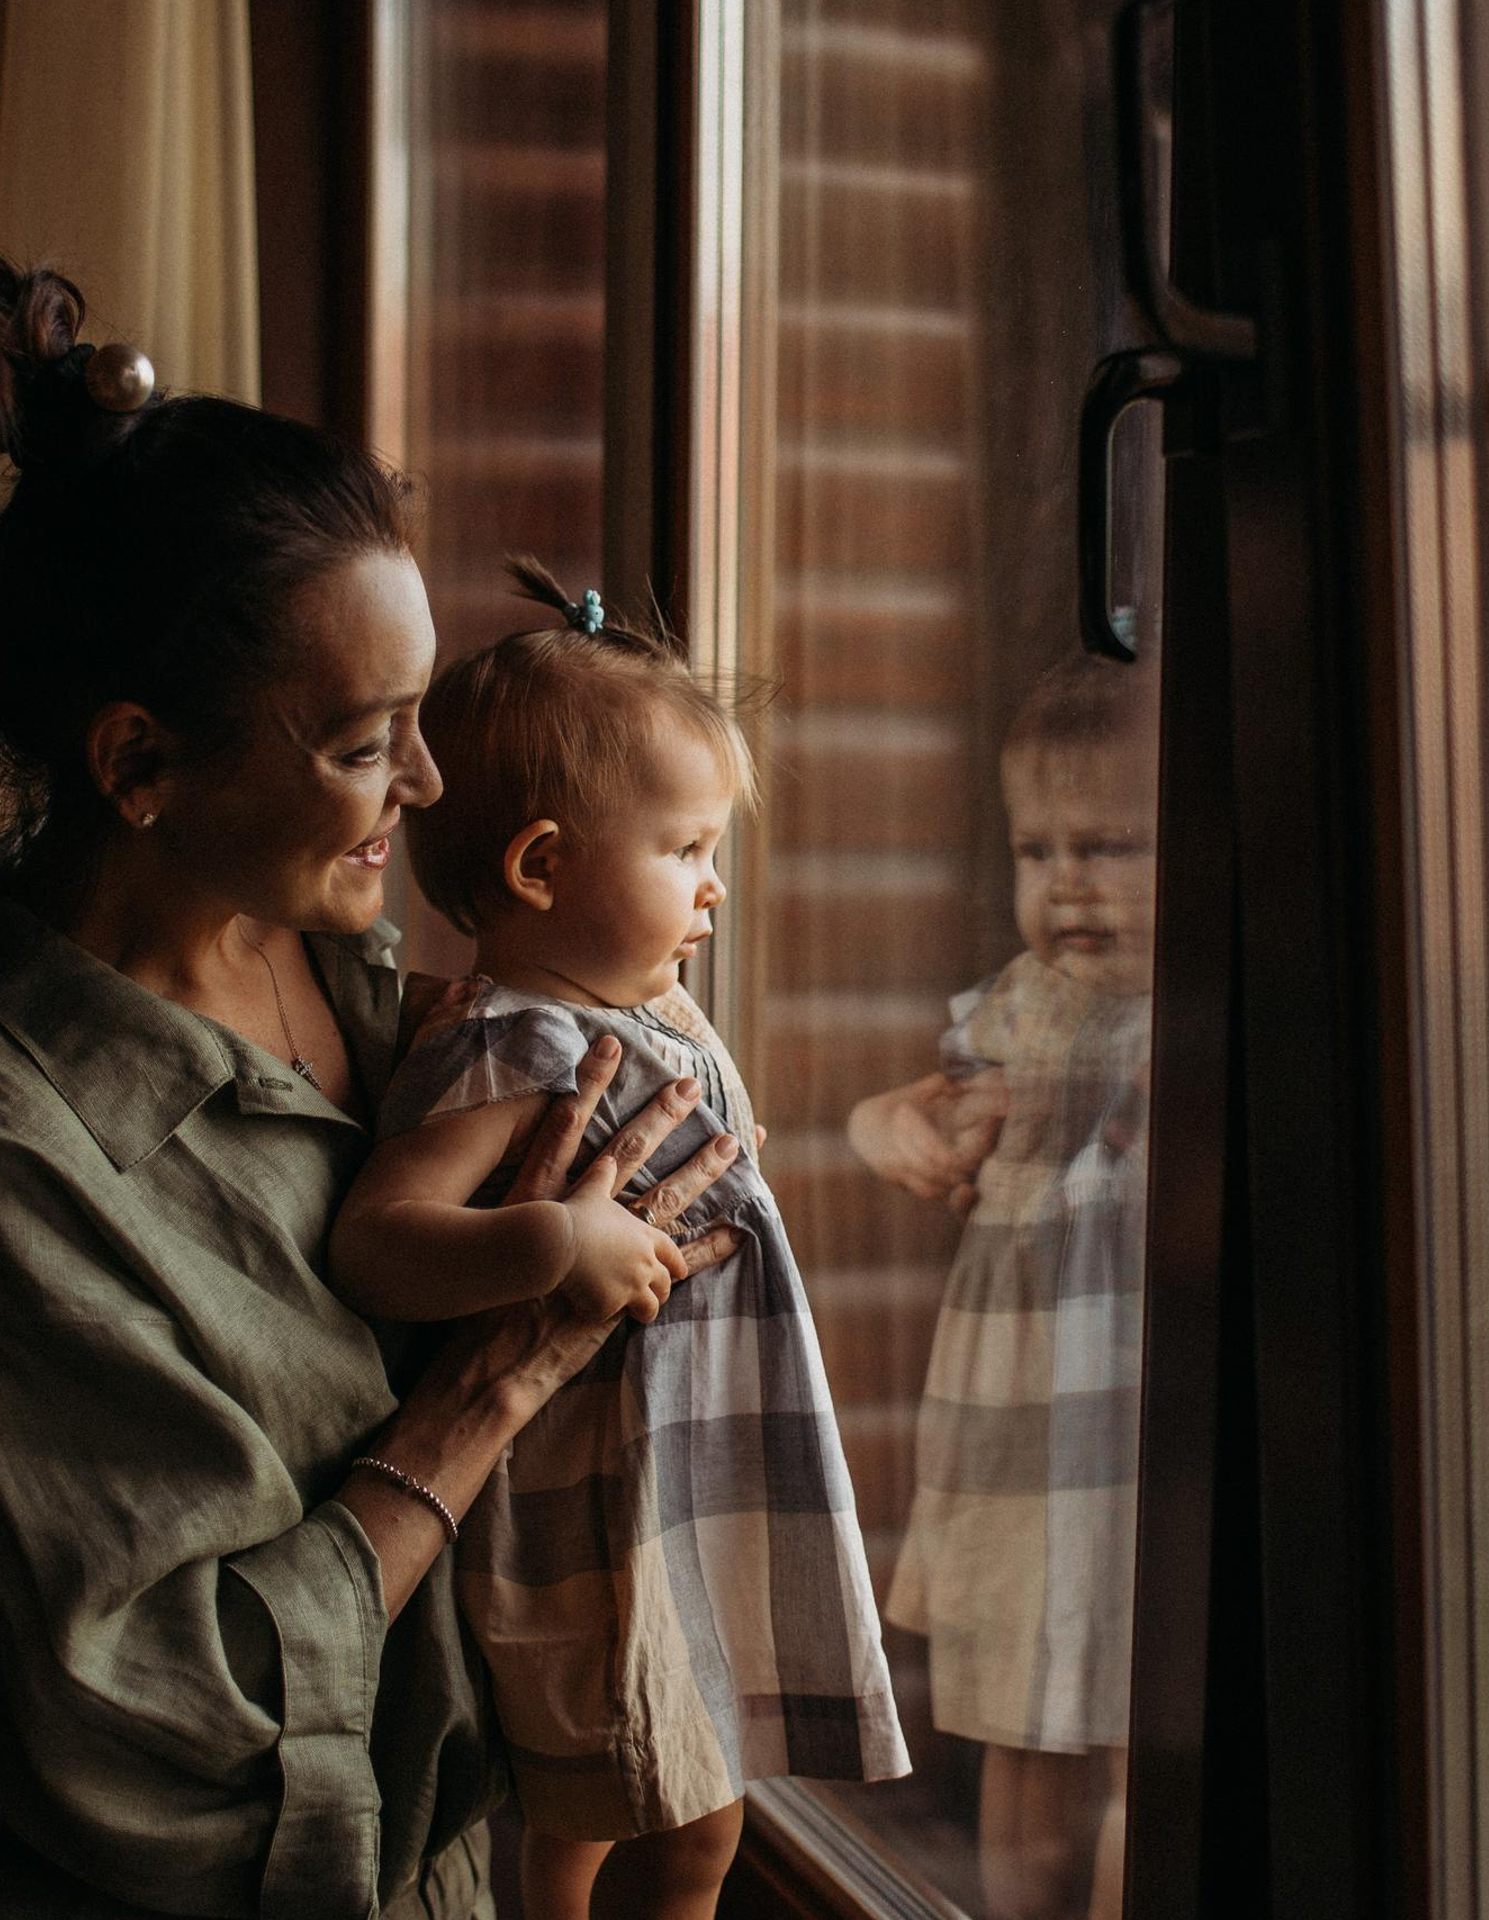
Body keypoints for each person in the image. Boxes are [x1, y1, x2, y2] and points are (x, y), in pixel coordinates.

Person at [0, 250, 749, 1920]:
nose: (431, 784)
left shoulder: (382, 994)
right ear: (141, 763)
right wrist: (478, 1403)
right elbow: (166, 1734)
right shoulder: (6, 1165)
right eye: (367, 745)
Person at [329, 565, 910, 1920]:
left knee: (691, 1816)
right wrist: (552, 1247)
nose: (712, 892)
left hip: (682, 1478)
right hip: (595, 1507)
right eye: (686, 851)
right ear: (541, 867)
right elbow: (377, 1242)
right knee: (605, 1814)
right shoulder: (507, 1046)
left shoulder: (634, 1011)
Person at [846, 651, 1159, 1920]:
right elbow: (913, 1110)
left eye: (1112, 845)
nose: (1070, 882)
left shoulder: (1183, 1020)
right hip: (1019, 1447)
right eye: (1041, 851)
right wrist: (890, 1129)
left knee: (1148, 1741)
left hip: (1131, 1445)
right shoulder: (1016, 1009)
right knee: (1022, 1748)